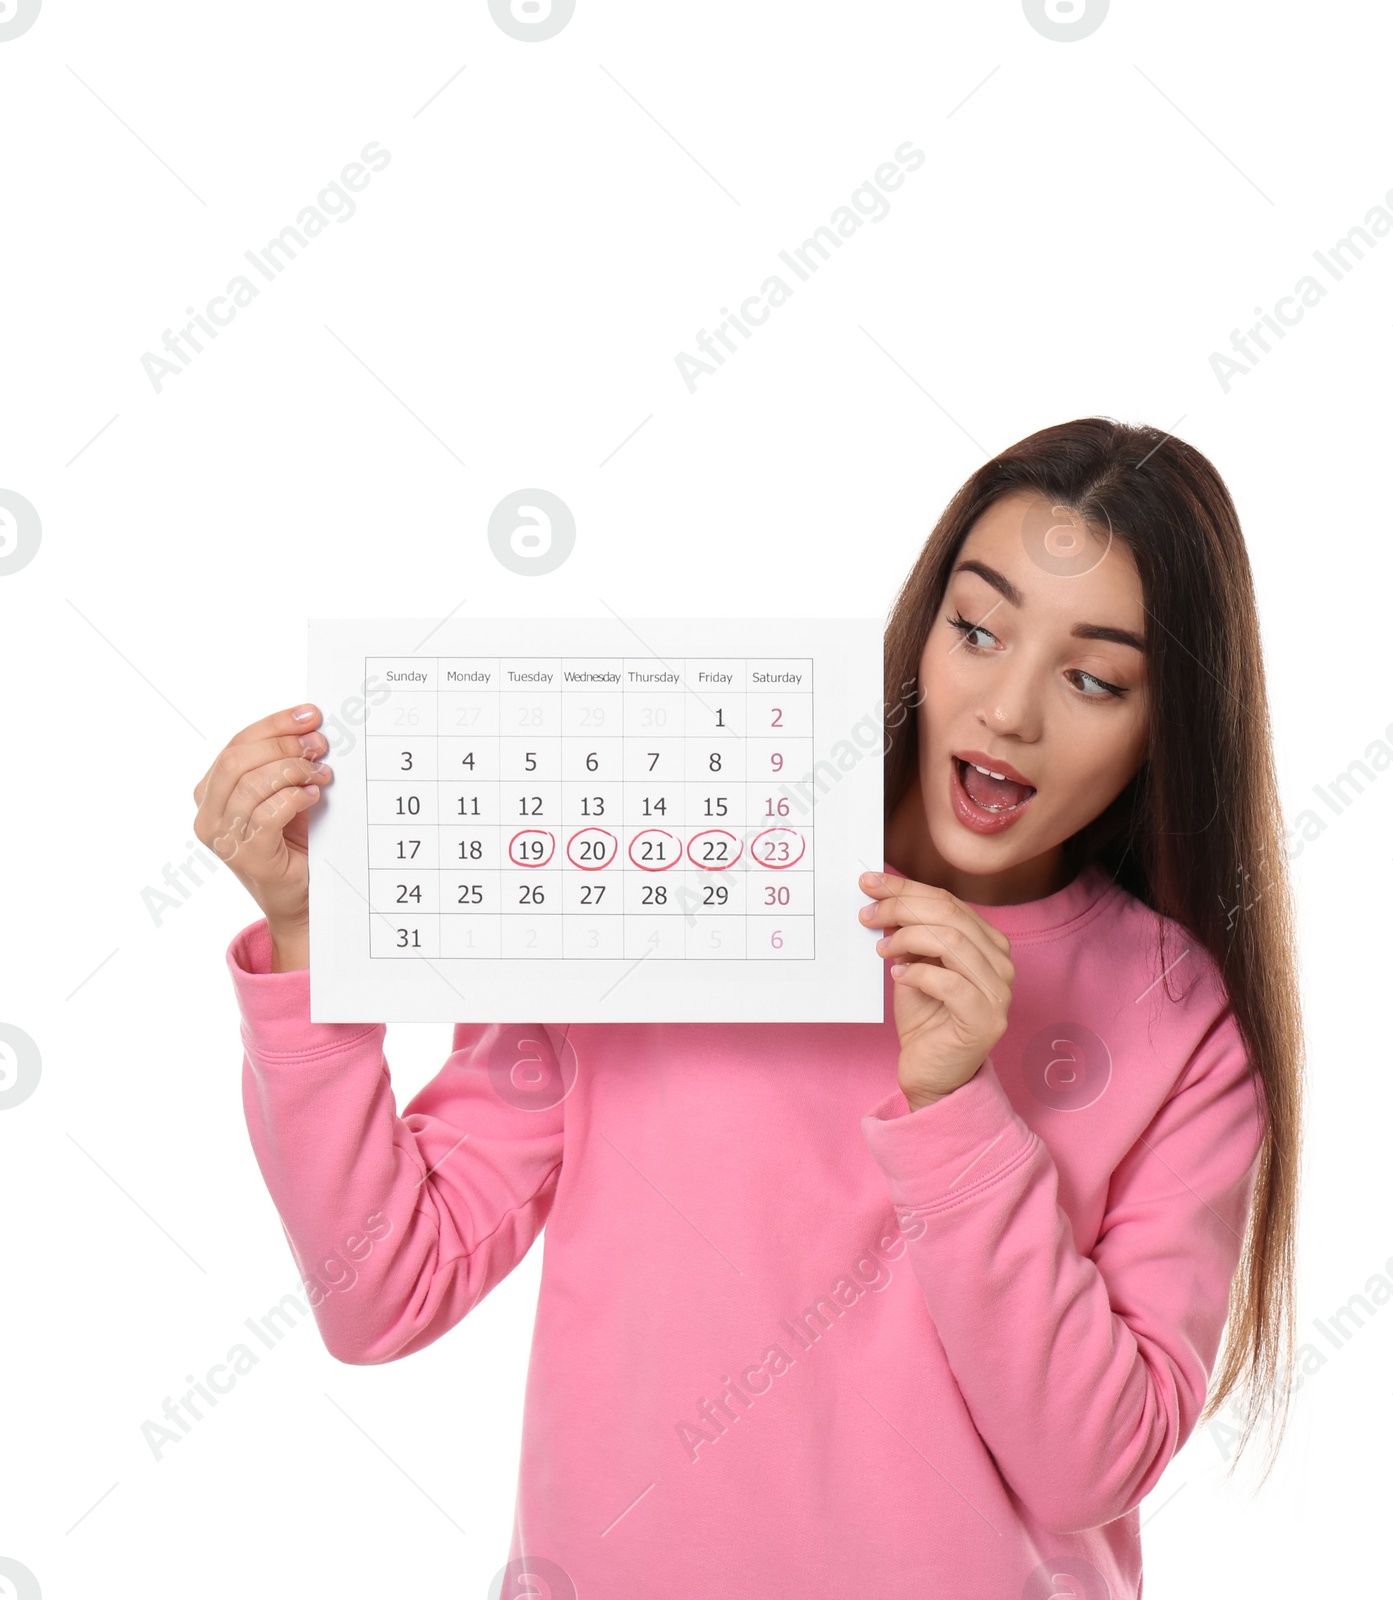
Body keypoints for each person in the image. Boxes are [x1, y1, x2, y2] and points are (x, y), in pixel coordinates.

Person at [194, 417, 1303, 1599]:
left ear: (1162, 725)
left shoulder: (1179, 1016)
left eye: (1093, 677)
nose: (1008, 710)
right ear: (922, 630)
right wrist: (312, 945)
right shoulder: (676, 859)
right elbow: (382, 1289)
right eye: (975, 629)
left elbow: (1096, 1465)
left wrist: (958, 1108)